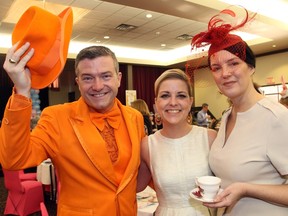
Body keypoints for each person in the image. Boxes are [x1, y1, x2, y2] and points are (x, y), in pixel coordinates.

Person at [1, 44, 145, 216]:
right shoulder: (57, 117)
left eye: (105, 76)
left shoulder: (135, 117)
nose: (98, 86)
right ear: (78, 82)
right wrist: (22, 92)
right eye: (88, 78)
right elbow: (14, 160)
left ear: (118, 78)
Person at [191, 6, 288, 216]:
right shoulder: (227, 116)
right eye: (216, 68)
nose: (225, 73)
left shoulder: (277, 117)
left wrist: (246, 189)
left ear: (251, 67)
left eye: (233, 63)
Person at [137, 69, 217, 216]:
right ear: (156, 103)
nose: (173, 102)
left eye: (181, 95)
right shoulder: (147, 145)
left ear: (190, 101)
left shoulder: (210, 138)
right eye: (165, 95)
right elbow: (134, 186)